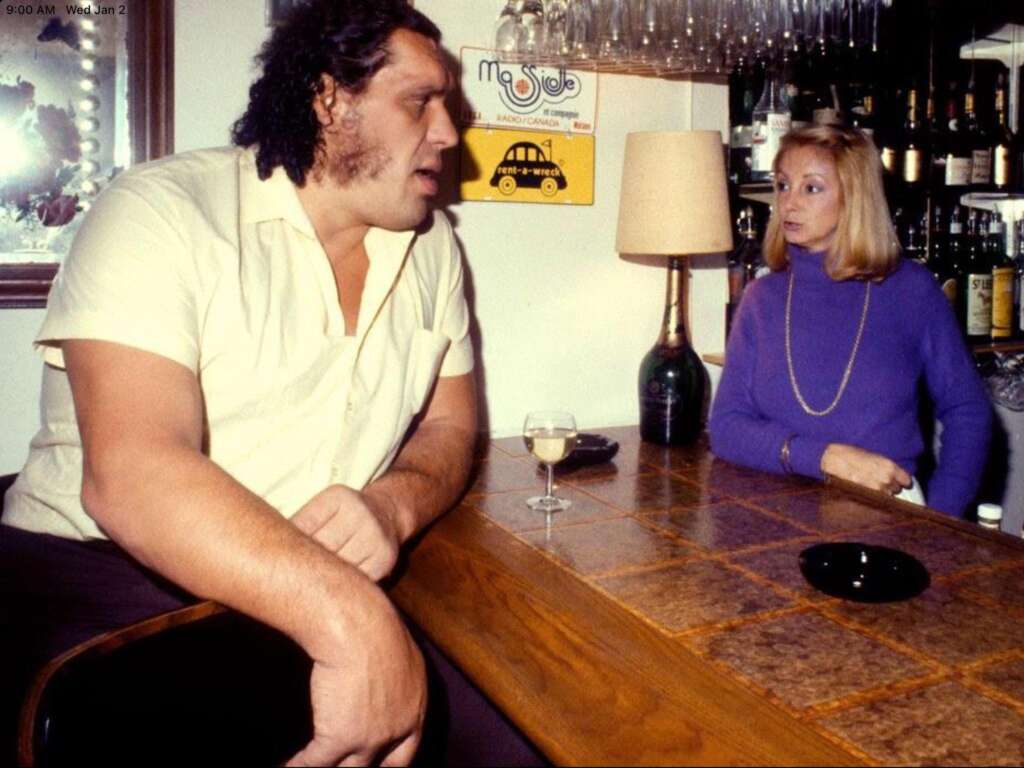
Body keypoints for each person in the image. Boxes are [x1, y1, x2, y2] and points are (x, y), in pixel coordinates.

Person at [0, 1, 542, 765]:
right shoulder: (159, 211)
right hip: (98, 586)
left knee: (522, 738)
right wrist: (351, 617)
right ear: (330, 101)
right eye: (421, 100)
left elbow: (451, 430)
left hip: (303, 592)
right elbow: (132, 478)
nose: (451, 131)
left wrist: (391, 507)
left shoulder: (433, 247)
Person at [709, 124, 992, 517]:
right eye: (783, 185)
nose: (788, 203)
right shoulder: (763, 297)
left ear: (854, 197)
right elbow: (726, 427)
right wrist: (826, 458)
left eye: (811, 188)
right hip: (769, 513)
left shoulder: (910, 290)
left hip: (880, 518)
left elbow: (968, 411)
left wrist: (940, 519)